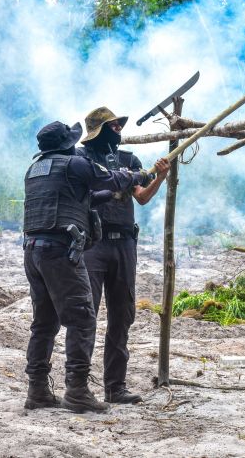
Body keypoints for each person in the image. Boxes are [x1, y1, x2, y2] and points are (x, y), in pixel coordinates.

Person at [23, 120, 152, 413]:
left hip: (33, 250)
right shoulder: (74, 164)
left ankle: (38, 390)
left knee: (44, 323)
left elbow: (85, 197)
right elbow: (110, 178)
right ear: (66, 144)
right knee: (82, 319)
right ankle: (77, 391)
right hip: (60, 251)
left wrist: (109, 195)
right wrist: (140, 175)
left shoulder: (36, 169)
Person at [76, 107, 170, 404]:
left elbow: (141, 197)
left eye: (118, 126)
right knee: (85, 313)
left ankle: (115, 388)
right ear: (98, 131)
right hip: (93, 244)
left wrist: (161, 176)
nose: (118, 130)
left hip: (124, 244)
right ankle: (78, 386)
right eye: (112, 126)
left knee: (122, 315)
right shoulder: (81, 160)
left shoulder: (129, 160)